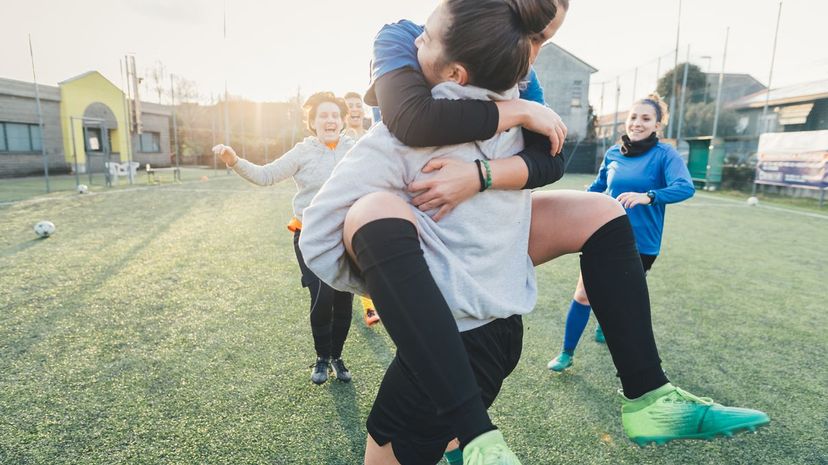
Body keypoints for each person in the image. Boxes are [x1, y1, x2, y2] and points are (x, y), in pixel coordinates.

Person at [303, 1, 769, 464]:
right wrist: (515, 112)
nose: (534, 52)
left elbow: (553, 155)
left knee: (596, 213)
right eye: (532, 36)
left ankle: (637, 394)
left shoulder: (487, 85)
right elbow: (413, 117)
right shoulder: (434, 57)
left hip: (461, 318)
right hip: (492, 313)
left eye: (541, 39)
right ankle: (489, 435)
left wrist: (478, 177)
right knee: (600, 212)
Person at [212, 92, 355, 386]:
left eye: (334, 116)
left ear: (342, 121)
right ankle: (321, 358)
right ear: (312, 123)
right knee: (322, 294)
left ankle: (337, 357)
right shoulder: (303, 151)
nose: (329, 120)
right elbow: (266, 176)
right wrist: (234, 160)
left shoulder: (356, 149)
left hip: (345, 235)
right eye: (322, 116)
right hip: (310, 236)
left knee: (343, 298)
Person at [547, 93, 696, 373]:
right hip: (603, 235)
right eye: (633, 117)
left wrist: (649, 196)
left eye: (645, 118)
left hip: (643, 243)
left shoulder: (665, 154)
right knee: (583, 294)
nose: (637, 123)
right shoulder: (614, 153)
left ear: (657, 125)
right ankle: (566, 353)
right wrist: (573, 201)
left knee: (621, 301)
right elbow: (599, 186)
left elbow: (685, 187)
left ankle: (625, 355)